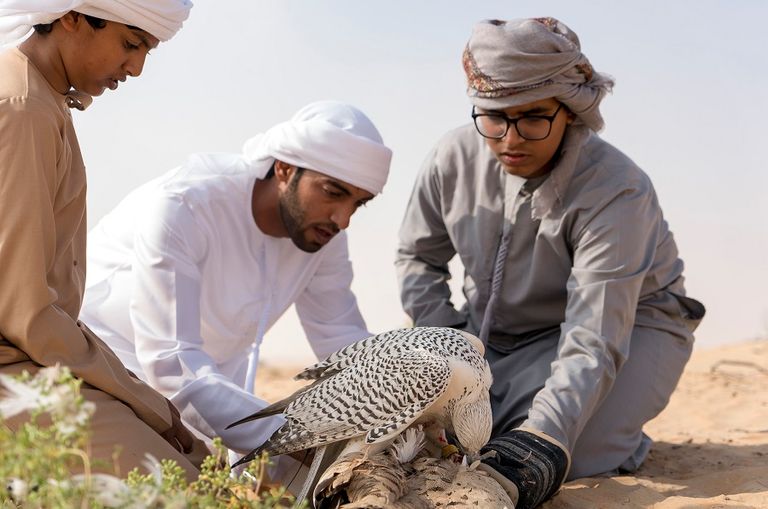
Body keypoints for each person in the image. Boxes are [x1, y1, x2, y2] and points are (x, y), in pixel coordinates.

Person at [395, 18, 705, 509]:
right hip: (490, 333)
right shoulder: (451, 157)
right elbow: (418, 259)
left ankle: (618, 435)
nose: (510, 139)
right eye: (494, 118)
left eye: (533, 118)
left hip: (629, 327)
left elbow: (594, 332)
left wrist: (542, 436)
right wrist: (451, 351)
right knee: (438, 432)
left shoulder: (617, 188)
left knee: (557, 452)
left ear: (570, 111)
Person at [79, 100, 393, 464]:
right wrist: (298, 438)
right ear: (284, 168)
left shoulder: (324, 235)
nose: (343, 219)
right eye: (333, 192)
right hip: (108, 372)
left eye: (359, 203)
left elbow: (342, 339)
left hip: (212, 396)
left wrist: (408, 397)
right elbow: (172, 362)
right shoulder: (186, 206)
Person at [0, 0, 205, 480]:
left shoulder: (43, 99)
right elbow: (24, 311)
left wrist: (142, 399)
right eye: (131, 44)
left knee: (198, 462)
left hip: (34, 357)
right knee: (182, 488)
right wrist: (144, 401)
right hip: (15, 369)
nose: (136, 68)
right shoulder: (24, 108)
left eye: (147, 51)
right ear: (71, 17)